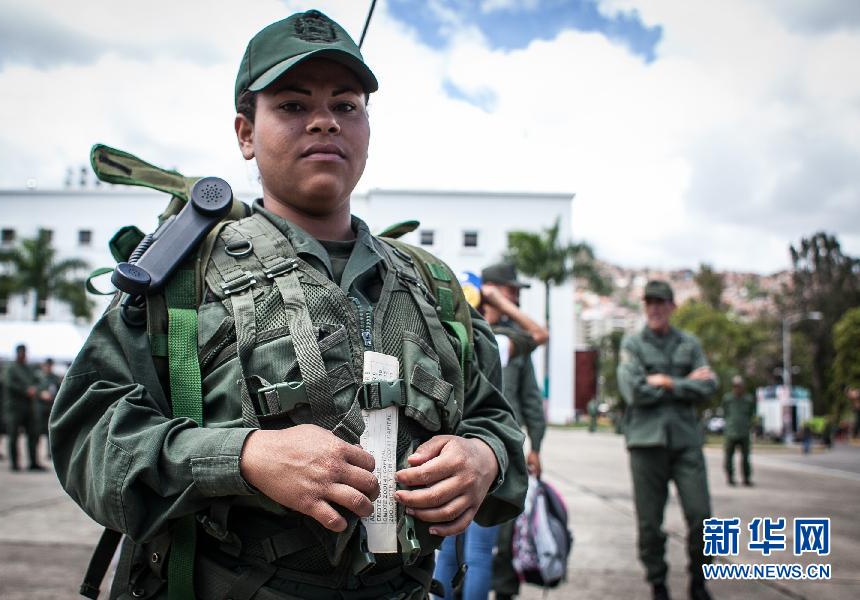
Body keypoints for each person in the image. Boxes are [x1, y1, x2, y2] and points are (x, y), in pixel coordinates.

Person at [51, 10, 527, 600]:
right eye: (293, 106)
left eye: (346, 105)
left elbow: (495, 420)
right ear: (246, 134)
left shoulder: (430, 283)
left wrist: (481, 458)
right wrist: (243, 456)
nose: (324, 121)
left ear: (368, 129)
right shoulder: (184, 275)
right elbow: (87, 437)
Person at [433, 262, 548, 600]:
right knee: (480, 553)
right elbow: (541, 333)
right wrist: (500, 301)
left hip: (451, 446)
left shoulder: (447, 332)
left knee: (449, 550)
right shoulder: (498, 340)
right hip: (491, 450)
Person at [617, 280, 718, 600]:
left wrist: (665, 382)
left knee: (702, 517)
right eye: (650, 303)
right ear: (645, 307)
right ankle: (658, 583)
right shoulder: (633, 344)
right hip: (646, 444)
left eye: (661, 302)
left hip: (686, 441)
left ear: (673, 306)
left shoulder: (689, 344)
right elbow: (633, 391)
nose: (655, 308)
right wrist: (685, 382)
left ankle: (699, 581)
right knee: (649, 524)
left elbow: (709, 386)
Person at [4, 344, 43, 472]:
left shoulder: (29, 368)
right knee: (13, 436)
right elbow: (9, 384)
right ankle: (14, 463)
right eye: (21, 353)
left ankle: (33, 462)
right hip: (14, 407)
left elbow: (38, 381)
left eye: (24, 353)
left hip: (29, 407)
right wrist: (25, 390)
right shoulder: (11, 368)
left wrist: (35, 389)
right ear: (17, 353)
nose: (23, 355)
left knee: (33, 435)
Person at [721, 375, 755, 486]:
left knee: (745, 457)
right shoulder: (727, 399)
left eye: (739, 386)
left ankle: (746, 478)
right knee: (729, 457)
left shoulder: (748, 399)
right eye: (735, 386)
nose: (737, 388)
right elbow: (725, 413)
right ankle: (730, 477)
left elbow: (751, 414)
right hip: (731, 432)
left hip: (744, 432)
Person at [35, 358, 61, 460]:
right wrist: (40, 394)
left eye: (50, 365)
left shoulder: (55, 378)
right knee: (36, 432)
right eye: (47, 365)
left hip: (51, 408)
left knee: (50, 432)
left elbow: (60, 391)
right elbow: (33, 389)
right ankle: (35, 455)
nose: (48, 367)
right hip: (39, 408)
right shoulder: (38, 377)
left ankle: (50, 452)